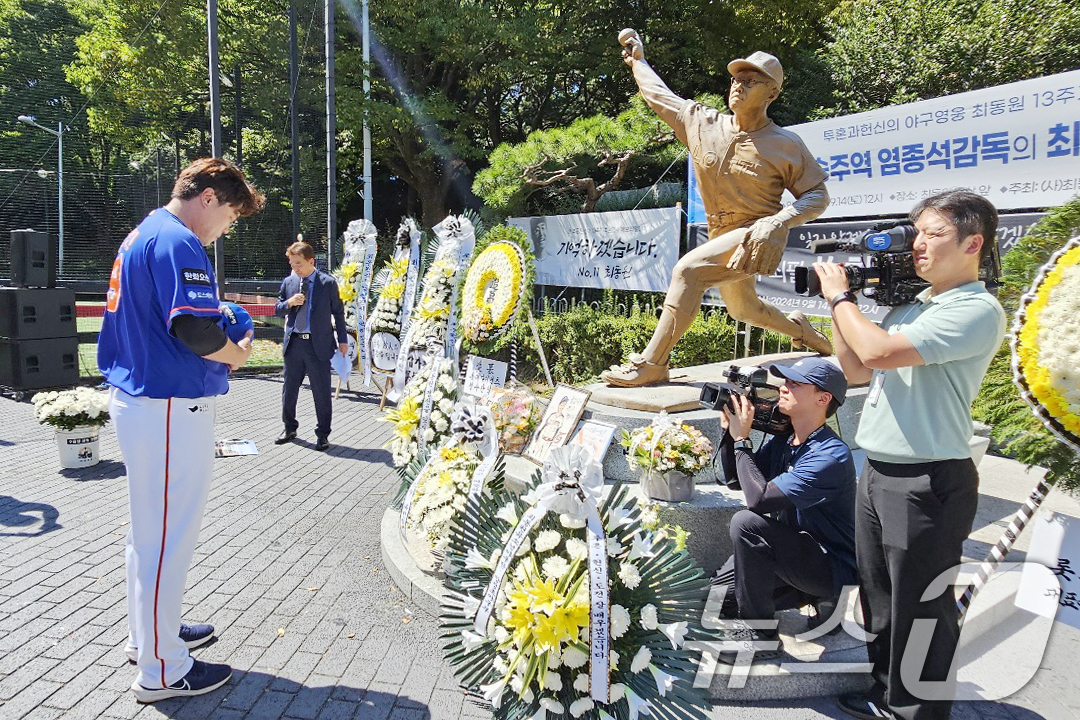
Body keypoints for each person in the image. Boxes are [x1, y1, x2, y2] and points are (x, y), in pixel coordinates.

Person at [814, 190, 1006, 720]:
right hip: (878, 471)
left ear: (973, 244)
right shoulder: (912, 306)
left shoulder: (976, 309)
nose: (917, 244)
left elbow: (878, 351)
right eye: (916, 232)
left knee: (923, 608)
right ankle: (885, 693)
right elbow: (856, 368)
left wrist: (839, 298)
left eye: (933, 233)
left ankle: (917, 711)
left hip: (928, 479)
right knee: (880, 600)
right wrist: (842, 306)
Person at [98, 157, 265, 702]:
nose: (227, 228)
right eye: (231, 215)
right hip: (167, 405)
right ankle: (162, 670)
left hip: (143, 400)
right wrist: (235, 355)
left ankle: (151, 638)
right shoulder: (177, 239)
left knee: (148, 536)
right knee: (166, 538)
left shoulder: (144, 232)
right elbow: (193, 330)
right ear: (209, 197)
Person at [601, 30, 832, 388]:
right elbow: (659, 96)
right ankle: (800, 329)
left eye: (751, 81)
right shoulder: (702, 122)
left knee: (688, 271)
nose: (738, 85)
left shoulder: (786, 144)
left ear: (772, 92)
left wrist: (780, 221)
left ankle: (653, 364)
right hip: (720, 233)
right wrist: (639, 61)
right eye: (736, 78)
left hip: (755, 234)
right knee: (744, 309)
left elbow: (817, 195)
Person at [712, 357, 856, 662]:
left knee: (746, 523)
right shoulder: (787, 441)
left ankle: (762, 638)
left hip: (829, 565)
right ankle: (818, 600)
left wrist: (742, 440)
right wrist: (730, 432)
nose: (783, 388)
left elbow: (759, 500)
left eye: (794, 383)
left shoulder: (830, 455)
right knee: (717, 597)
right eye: (785, 382)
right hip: (793, 554)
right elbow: (737, 479)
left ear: (823, 398)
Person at [274, 240, 349, 451]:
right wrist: (289, 303)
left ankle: (323, 435)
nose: (294, 267)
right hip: (294, 344)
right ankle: (289, 428)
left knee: (321, 393)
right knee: (289, 390)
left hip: (318, 346)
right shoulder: (289, 282)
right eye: (291, 263)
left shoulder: (327, 283)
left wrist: (342, 340)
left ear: (311, 261)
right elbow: (278, 308)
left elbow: (338, 313)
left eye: (298, 263)